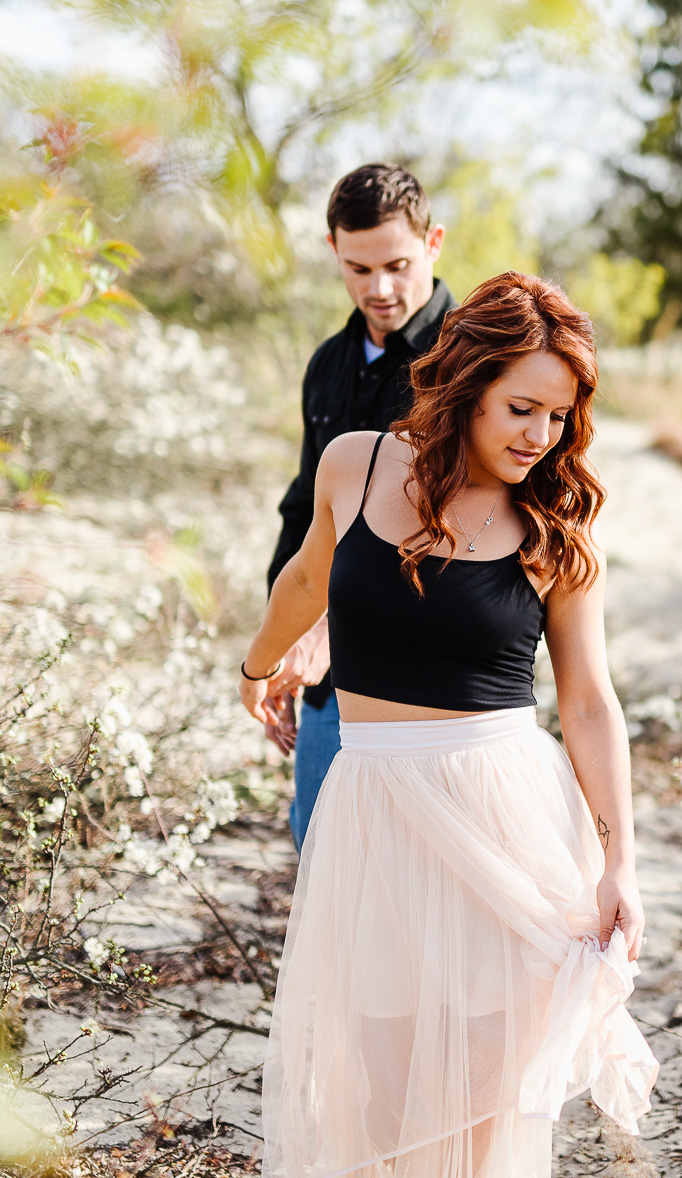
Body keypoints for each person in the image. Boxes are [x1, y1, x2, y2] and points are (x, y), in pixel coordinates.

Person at [240, 271, 657, 1177]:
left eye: (557, 418)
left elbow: (588, 701)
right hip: (375, 810)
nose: (538, 436)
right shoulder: (353, 463)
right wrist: (260, 662)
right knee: (385, 1096)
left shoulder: (554, 527)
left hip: (501, 824)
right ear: (468, 382)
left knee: (481, 1105)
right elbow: (307, 578)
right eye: (520, 408)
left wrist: (619, 857)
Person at [264, 162, 457, 850]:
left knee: (422, 868)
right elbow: (304, 513)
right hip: (328, 673)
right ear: (333, 252)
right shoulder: (327, 364)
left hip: (437, 675)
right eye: (358, 269)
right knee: (322, 846)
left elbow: (457, 527)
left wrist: (325, 630)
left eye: (398, 265)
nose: (379, 288)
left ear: (433, 243)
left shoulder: (475, 362)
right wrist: (283, 633)